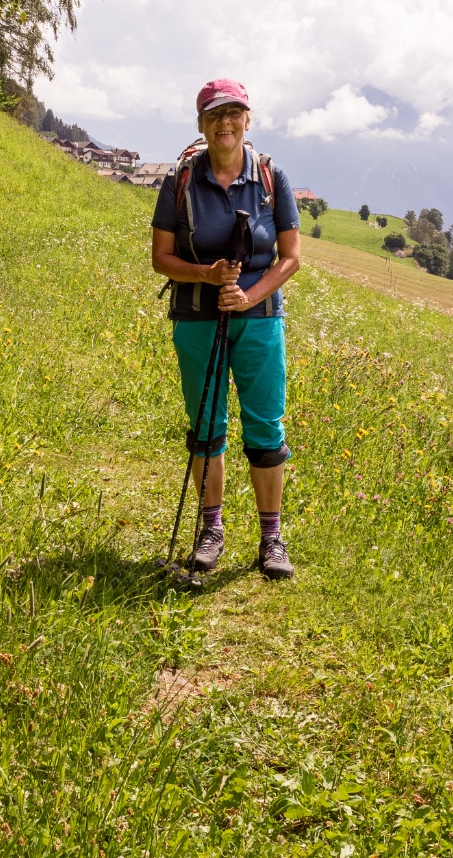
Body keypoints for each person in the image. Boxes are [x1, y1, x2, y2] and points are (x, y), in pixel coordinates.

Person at [150, 78, 301, 579]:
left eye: (234, 113)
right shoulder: (181, 180)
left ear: (247, 120)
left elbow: (291, 258)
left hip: (259, 320)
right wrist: (209, 276)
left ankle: (271, 538)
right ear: (201, 125)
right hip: (196, 317)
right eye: (215, 115)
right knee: (207, 426)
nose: (225, 123)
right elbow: (162, 258)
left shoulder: (270, 177)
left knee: (264, 426)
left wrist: (249, 295)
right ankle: (210, 530)